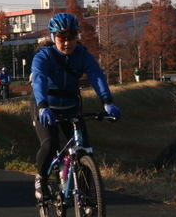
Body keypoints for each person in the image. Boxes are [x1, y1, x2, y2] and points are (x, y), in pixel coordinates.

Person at [31, 12, 121, 202]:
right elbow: (38, 81)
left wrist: (107, 101)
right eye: (62, 38)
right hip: (46, 106)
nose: (67, 43)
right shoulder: (44, 56)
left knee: (84, 148)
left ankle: (87, 195)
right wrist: (42, 106)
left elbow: (96, 75)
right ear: (53, 37)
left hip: (71, 106)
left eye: (71, 37)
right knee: (50, 144)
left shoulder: (82, 55)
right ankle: (41, 178)